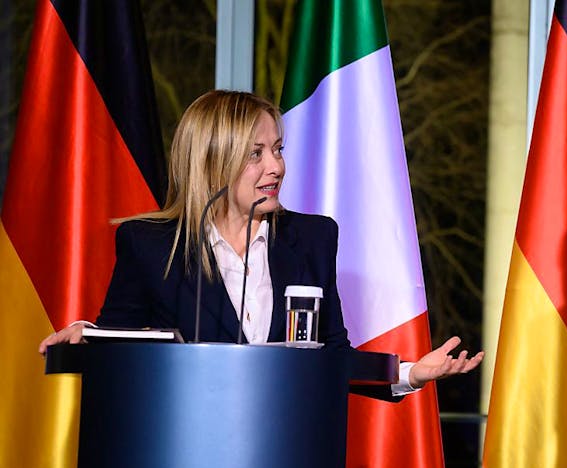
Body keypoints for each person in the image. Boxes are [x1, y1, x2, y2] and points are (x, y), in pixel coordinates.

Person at [38, 90, 482, 392]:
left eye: (279, 149)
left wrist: (410, 373)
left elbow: (330, 357)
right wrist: (91, 338)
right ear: (213, 160)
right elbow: (123, 352)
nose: (276, 167)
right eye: (256, 153)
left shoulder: (311, 238)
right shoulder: (151, 245)